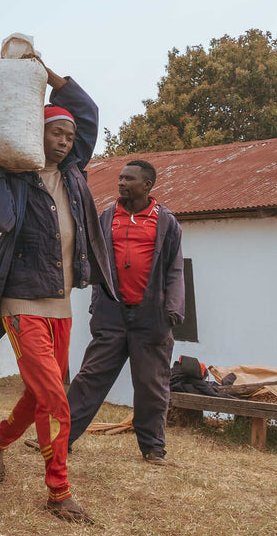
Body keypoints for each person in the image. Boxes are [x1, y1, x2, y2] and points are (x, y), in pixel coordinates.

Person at [0, 63, 113, 524]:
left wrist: (51, 76)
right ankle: (59, 491)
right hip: (21, 303)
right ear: (34, 134)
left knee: (42, 394)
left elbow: (88, 112)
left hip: (60, 305)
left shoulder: (75, 173)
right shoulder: (16, 178)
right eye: (56, 132)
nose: (64, 141)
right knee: (55, 397)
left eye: (69, 136)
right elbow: (0, 220)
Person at [60, 160, 185, 464]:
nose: (121, 183)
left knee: (151, 384)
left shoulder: (166, 222)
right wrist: (95, 302)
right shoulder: (106, 218)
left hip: (151, 316)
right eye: (120, 177)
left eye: (129, 179)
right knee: (90, 378)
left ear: (147, 186)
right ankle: (61, 439)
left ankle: (153, 448)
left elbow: (175, 269)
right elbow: (95, 263)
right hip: (111, 313)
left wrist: (172, 310)